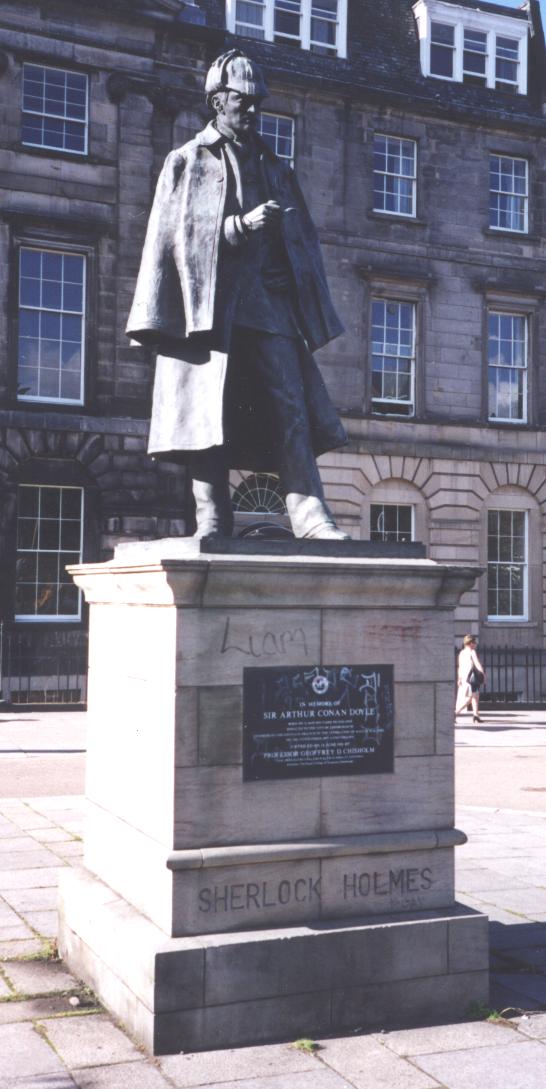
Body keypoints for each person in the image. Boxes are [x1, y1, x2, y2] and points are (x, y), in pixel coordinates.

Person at [126, 49, 349, 540]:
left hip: (267, 307)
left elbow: (304, 240)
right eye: (242, 102)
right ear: (217, 101)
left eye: (257, 103)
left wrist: (289, 273)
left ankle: (311, 515)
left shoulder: (275, 166)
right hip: (209, 309)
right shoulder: (186, 160)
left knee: (291, 406)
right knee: (208, 412)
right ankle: (213, 515)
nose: (251, 111)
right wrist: (238, 226)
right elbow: (176, 235)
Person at [455, 634, 486, 724]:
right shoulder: (472, 652)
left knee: (475, 696)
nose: (475, 644)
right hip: (471, 678)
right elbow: (477, 663)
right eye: (474, 642)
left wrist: (459, 678)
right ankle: (454, 714)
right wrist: (483, 673)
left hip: (465, 677)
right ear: (470, 643)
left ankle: (476, 716)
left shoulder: (461, 653)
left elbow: (459, 667)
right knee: (470, 698)